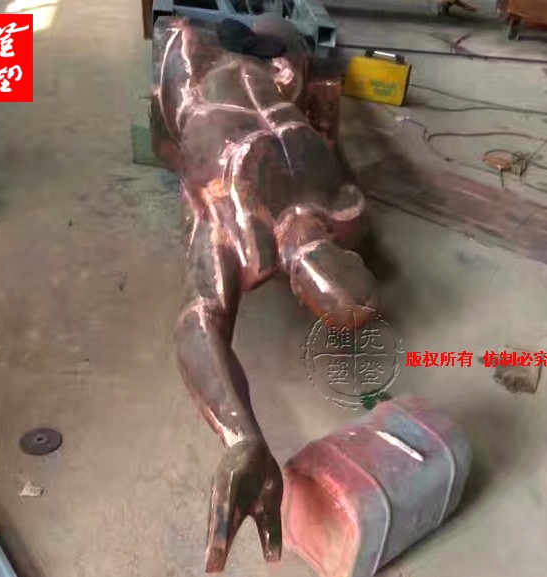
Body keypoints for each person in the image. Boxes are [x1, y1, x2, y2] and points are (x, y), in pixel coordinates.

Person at [151, 15, 377, 572]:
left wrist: (244, 439)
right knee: (188, 34)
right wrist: (240, 435)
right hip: (229, 83)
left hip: (232, 83)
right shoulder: (247, 206)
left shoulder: (280, 204)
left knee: (191, 33)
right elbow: (198, 321)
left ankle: (233, 38)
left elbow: (200, 322)